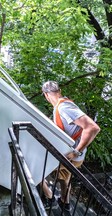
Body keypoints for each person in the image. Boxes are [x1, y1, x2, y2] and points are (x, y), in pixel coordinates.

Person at [41, 81, 100, 211]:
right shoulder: (62, 105)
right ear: (59, 90)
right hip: (73, 155)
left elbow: (92, 128)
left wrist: (76, 151)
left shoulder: (64, 108)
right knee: (64, 178)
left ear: (45, 95)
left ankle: (50, 198)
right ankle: (65, 203)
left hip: (72, 155)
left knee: (37, 169)